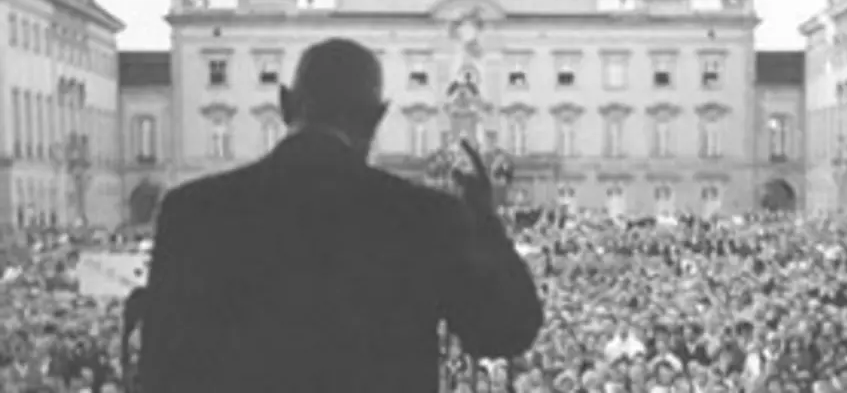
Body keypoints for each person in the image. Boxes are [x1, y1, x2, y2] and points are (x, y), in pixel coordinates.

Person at [137, 38, 543, 393]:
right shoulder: (424, 216)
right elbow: (508, 330)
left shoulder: (194, 211)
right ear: (377, 117)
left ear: (285, 104)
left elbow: (159, 373)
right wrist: (484, 220)